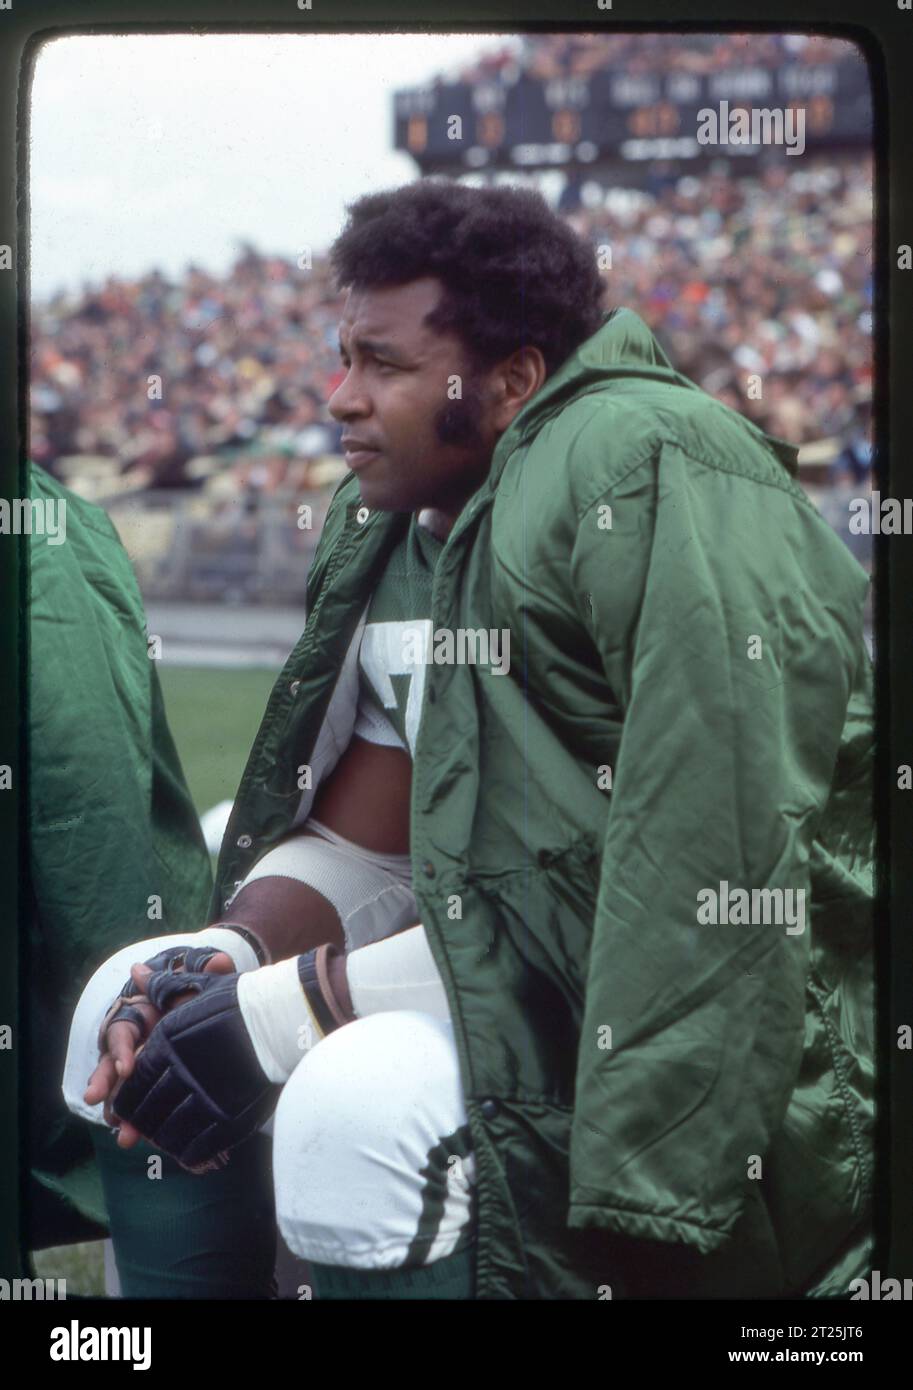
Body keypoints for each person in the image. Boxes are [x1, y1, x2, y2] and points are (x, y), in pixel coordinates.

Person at [64, 179, 874, 1300]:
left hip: (735, 1018)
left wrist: (292, 1007)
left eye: (383, 365)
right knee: (133, 994)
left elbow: (693, 888)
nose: (338, 399)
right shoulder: (399, 513)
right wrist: (231, 959)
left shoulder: (647, 462)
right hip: (524, 965)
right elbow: (376, 839)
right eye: (341, 356)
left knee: (358, 1102)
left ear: (513, 378)